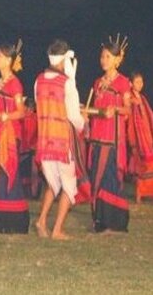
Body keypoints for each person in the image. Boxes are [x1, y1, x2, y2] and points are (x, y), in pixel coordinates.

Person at [34, 40, 85, 240]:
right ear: (64, 61)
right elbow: (73, 115)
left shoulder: (38, 80)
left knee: (52, 183)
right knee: (69, 186)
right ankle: (56, 230)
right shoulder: (67, 83)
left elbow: (40, 106)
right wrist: (84, 124)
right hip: (62, 142)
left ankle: (41, 221)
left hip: (44, 140)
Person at [0, 41, 30, 234]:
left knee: (5, 178)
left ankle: (10, 221)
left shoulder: (14, 83)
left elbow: (21, 112)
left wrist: (5, 116)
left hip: (9, 137)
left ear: (9, 60)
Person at [87, 36, 131, 232]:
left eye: (107, 56)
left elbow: (128, 110)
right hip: (96, 137)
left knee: (109, 179)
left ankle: (113, 222)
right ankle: (98, 220)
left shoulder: (123, 83)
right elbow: (95, 108)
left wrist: (116, 109)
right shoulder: (97, 83)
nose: (103, 60)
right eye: (102, 56)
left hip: (111, 138)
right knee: (96, 176)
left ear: (117, 60)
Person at [127, 72, 153, 204]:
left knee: (150, 164)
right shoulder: (130, 98)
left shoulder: (142, 98)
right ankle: (139, 195)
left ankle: (149, 193)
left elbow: (150, 115)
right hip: (137, 137)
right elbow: (130, 118)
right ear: (131, 83)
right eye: (137, 82)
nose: (140, 84)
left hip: (147, 136)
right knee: (140, 164)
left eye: (141, 82)